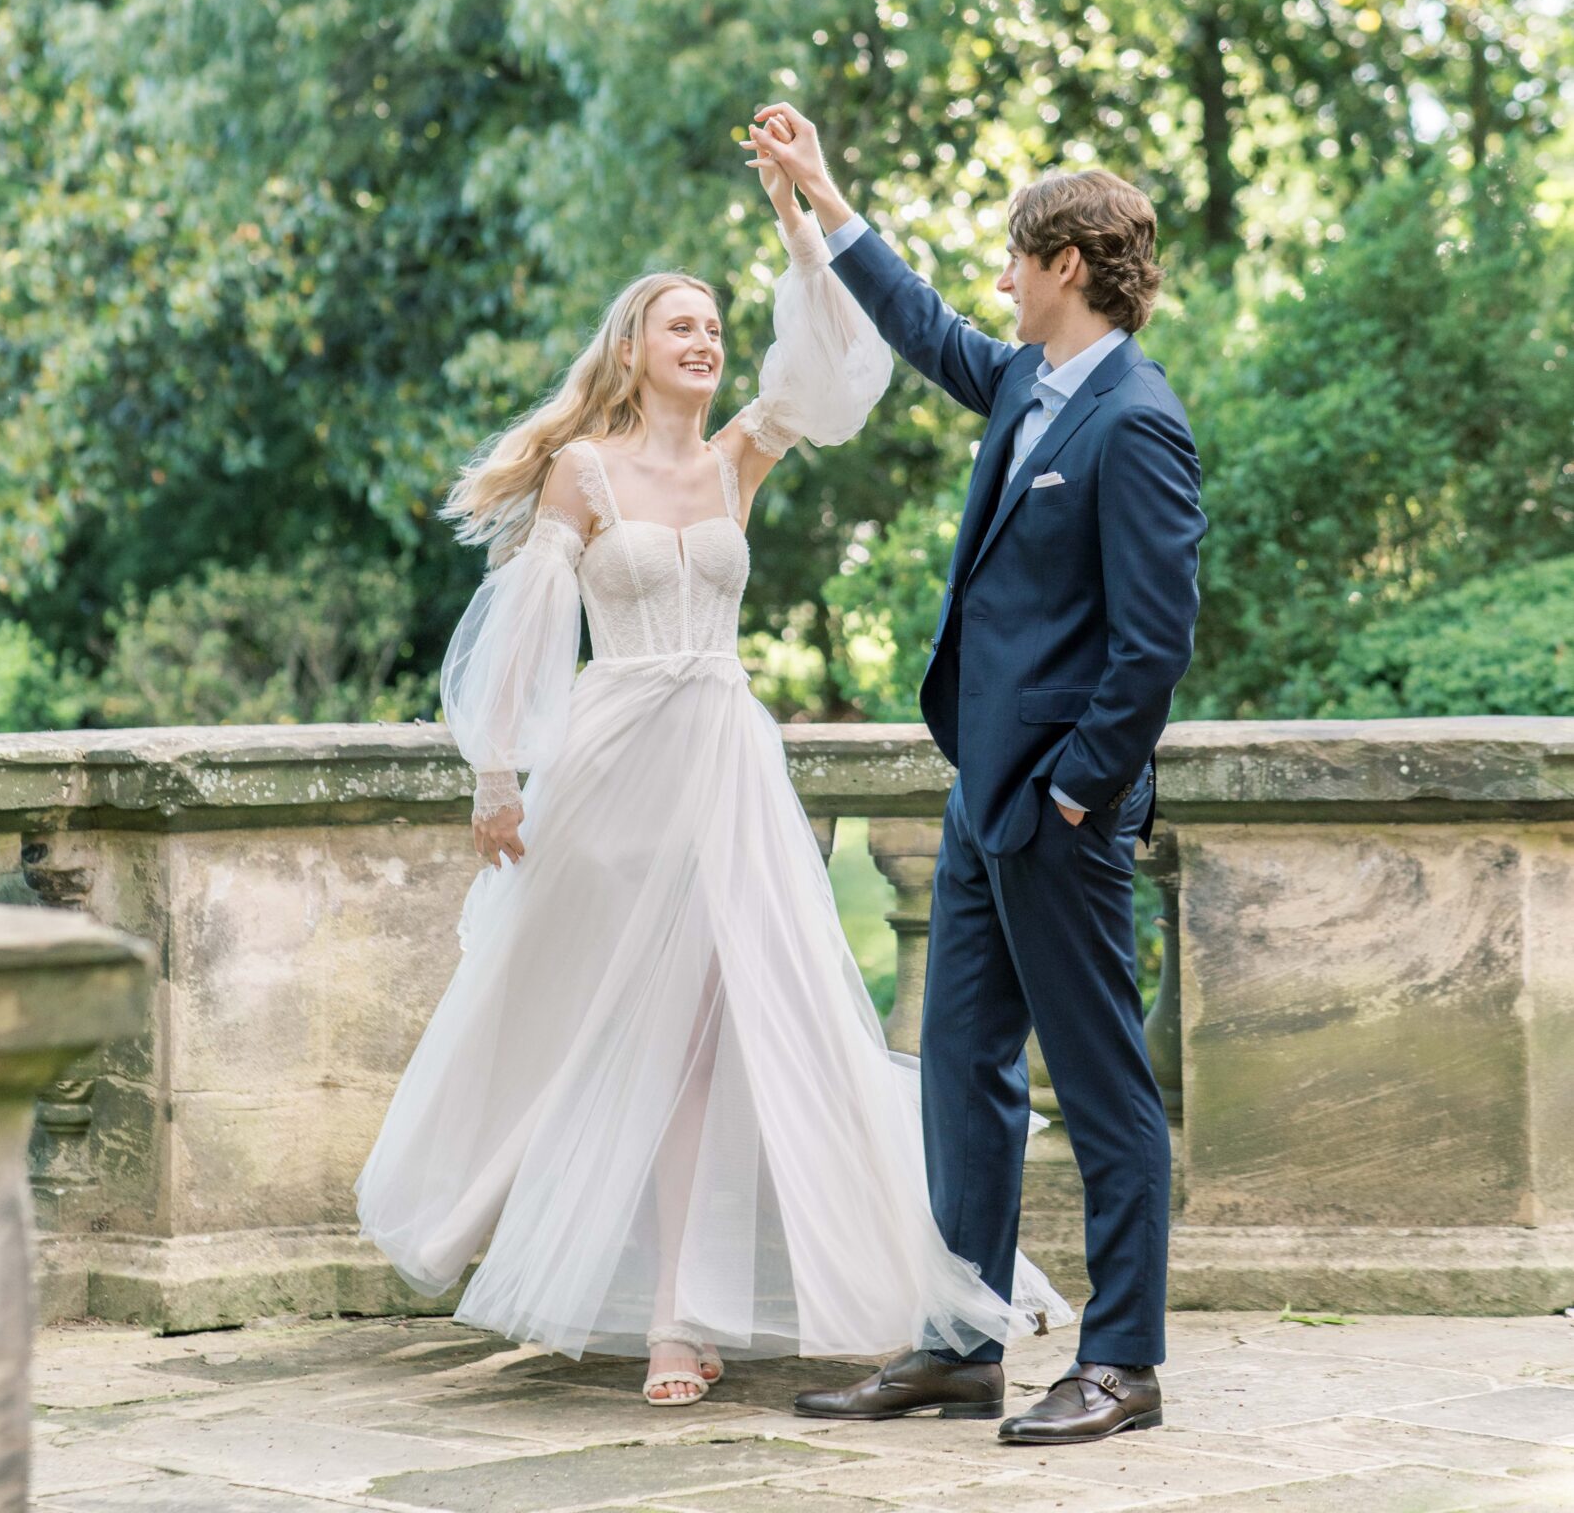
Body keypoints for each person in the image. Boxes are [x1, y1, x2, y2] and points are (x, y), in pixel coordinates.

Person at [354, 142, 1070, 1408]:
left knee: (712, 1030)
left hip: (724, 762)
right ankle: (509, 1217)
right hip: (616, 762)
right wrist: (496, 773)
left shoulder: (740, 452)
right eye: (682, 326)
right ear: (633, 351)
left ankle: (682, 1313)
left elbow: (838, 368)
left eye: (716, 327)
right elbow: (524, 622)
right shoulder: (584, 473)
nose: (706, 342)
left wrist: (804, 226)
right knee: (589, 1013)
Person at [747, 103, 1204, 1447]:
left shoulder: (1133, 421)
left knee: (1102, 1082)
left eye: (1014, 257)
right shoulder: (1024, 382)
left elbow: (1151, 642)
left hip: (1050, 814)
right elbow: (922, 324)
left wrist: (1074, 792)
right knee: (958, 1066)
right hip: (977, 799)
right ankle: (957, 1343)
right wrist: (822, 197)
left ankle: (1122, 1363)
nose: (998, 280)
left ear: (1065, 263)